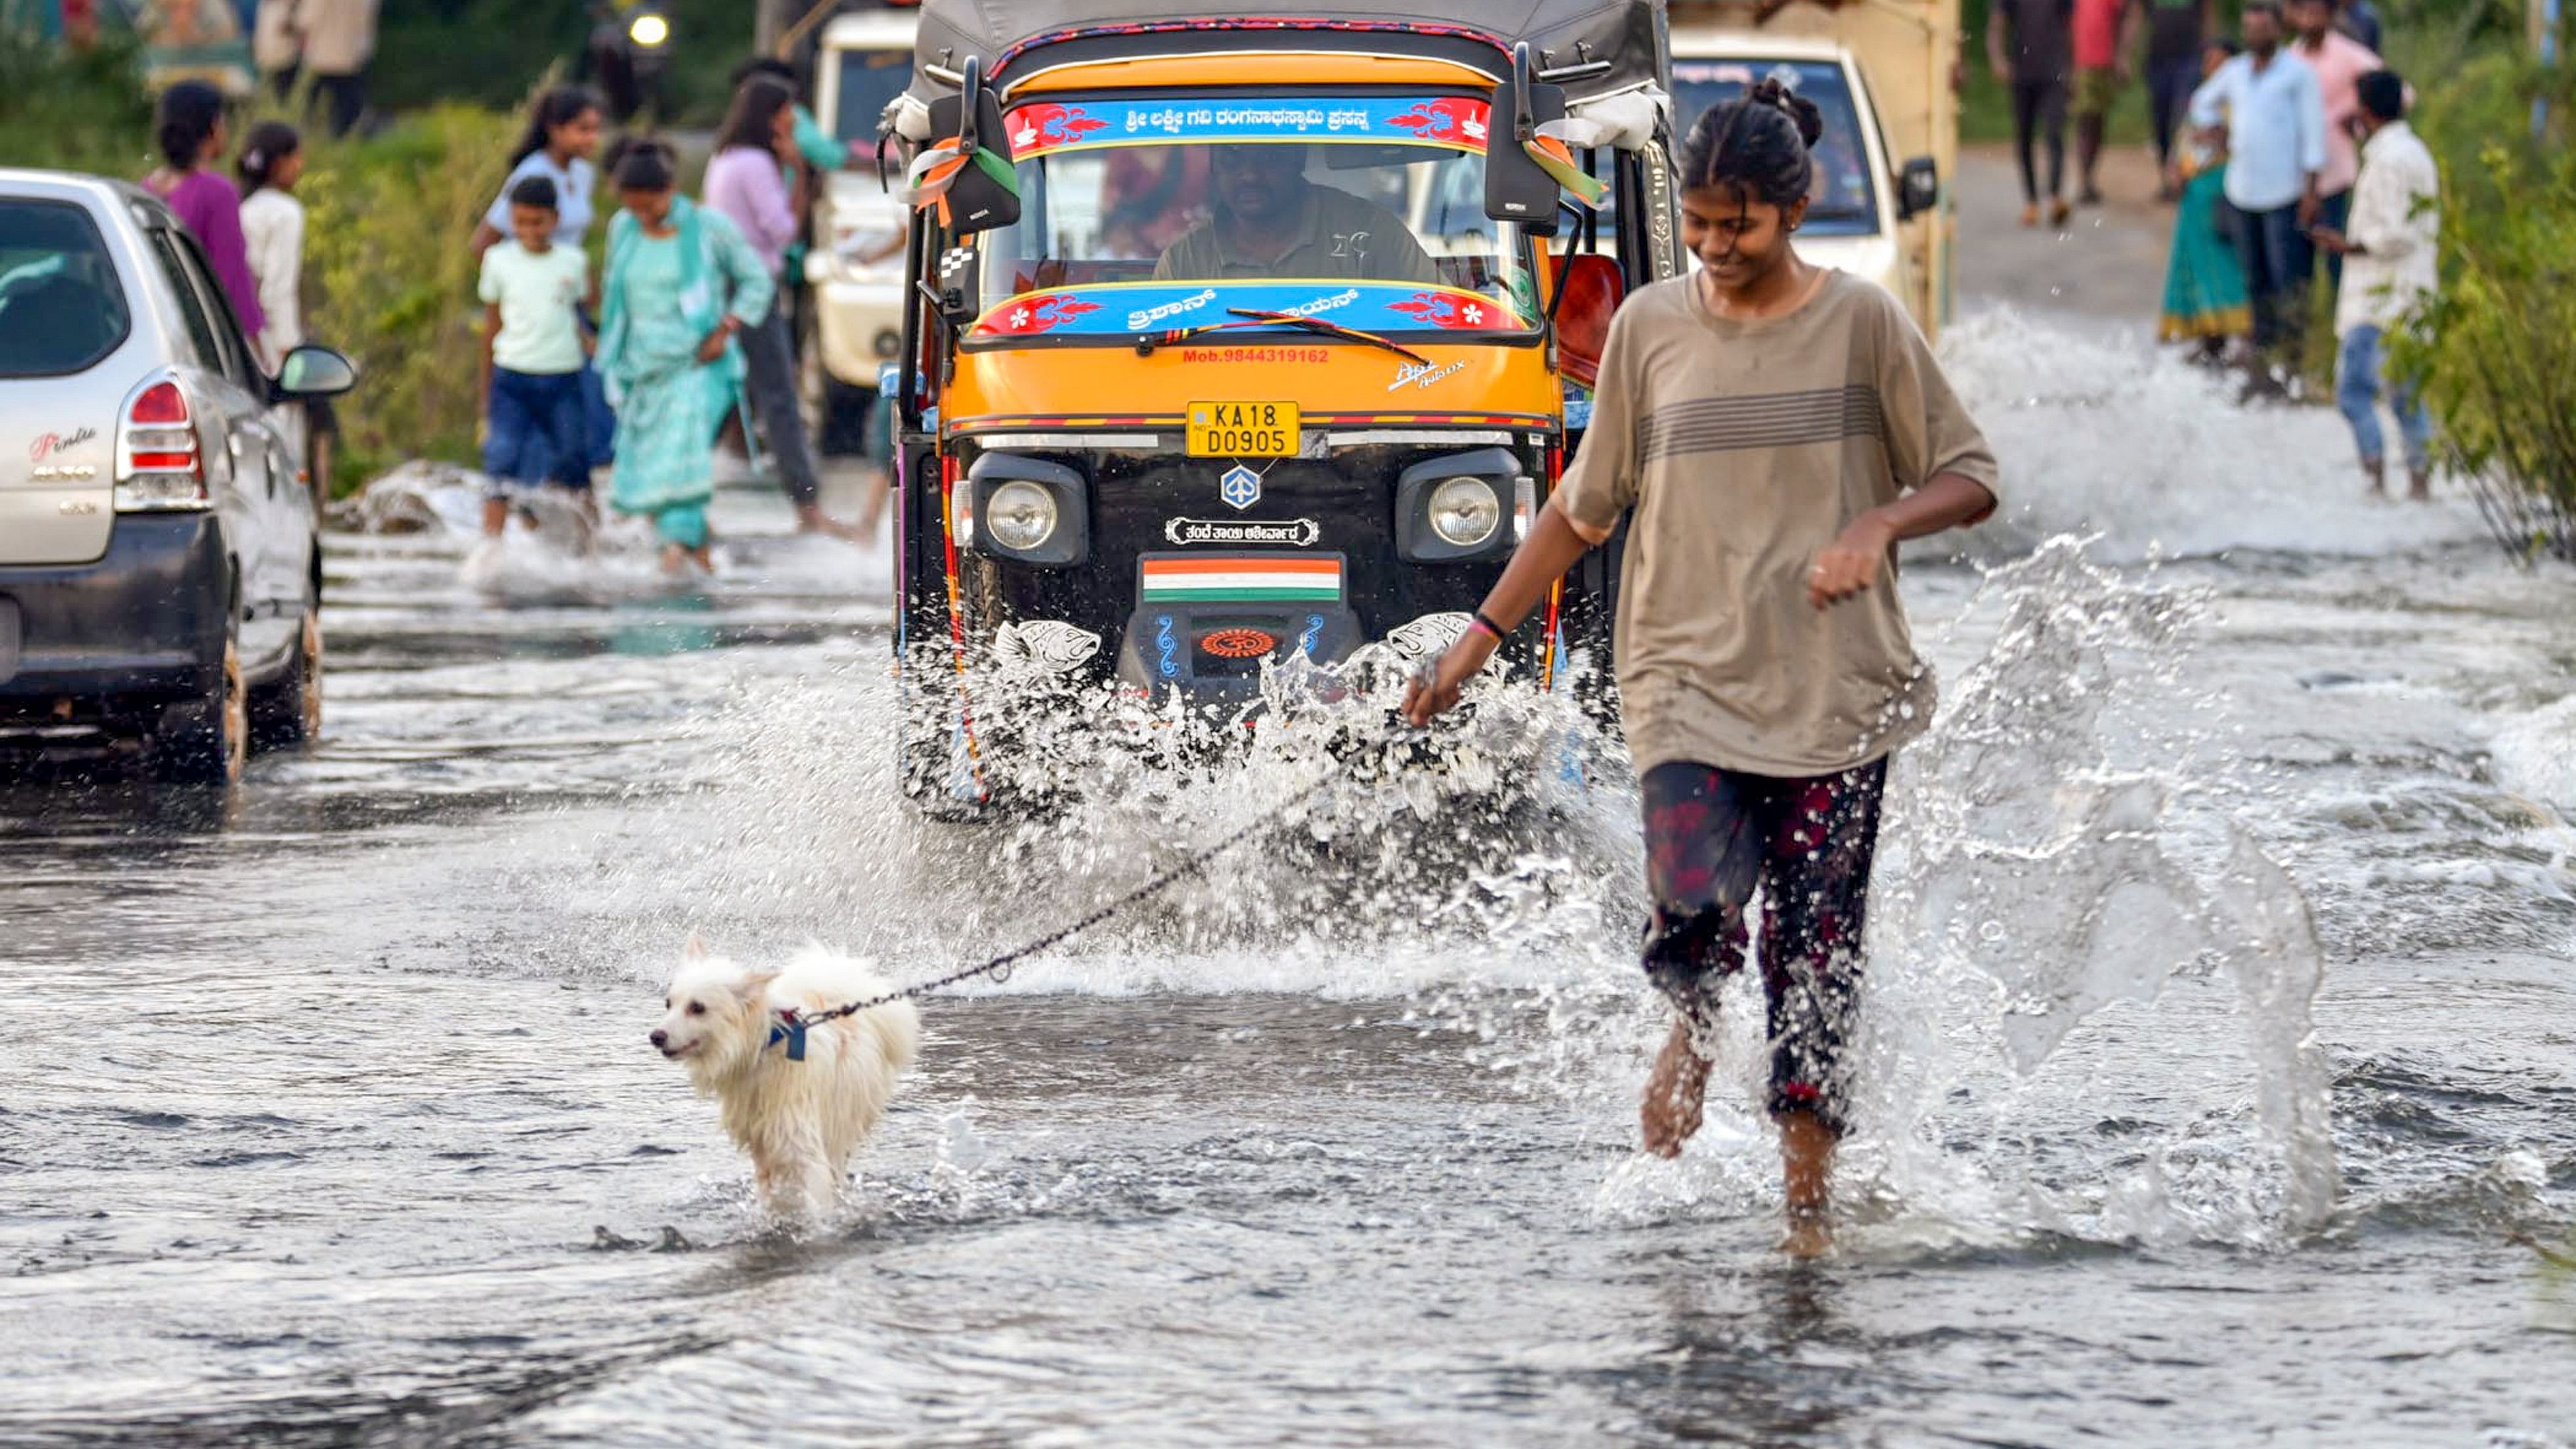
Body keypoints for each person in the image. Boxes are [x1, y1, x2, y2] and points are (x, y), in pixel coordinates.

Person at [1402, 80, 2002, 1257]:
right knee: (1689, 904)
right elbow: (1579, 512)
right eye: (1700, 224)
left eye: (1741, 225)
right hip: (1678, 678)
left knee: (1815, 954)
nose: (1716, 249)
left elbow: (1968, 473)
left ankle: (1804, 1207)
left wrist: (1877, 526)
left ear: (1794, 207)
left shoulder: (1863, 325)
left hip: (1835, 693)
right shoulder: (1648, 329)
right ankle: (1689, 1021)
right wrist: (1474, 641)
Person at [594, 143, 775, 574]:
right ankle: (702, 561)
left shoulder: (709, 228)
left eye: (651, 206)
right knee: (651, 465)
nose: (643, 217)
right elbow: (613, 289)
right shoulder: (623, 228)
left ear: (671, 190)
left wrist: (727, 327)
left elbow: (757, 280)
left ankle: (670, 558)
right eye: (633, 208)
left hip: (698, 364)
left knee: (681, 461)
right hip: (643, 367)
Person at [704, 74, 859, 540]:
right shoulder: (757, 163)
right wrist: (799, 173)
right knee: (779, 396)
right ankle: (807, 504)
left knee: (724, 391)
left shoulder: (726, 156)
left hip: (726, 281)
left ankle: (674, 493)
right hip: (753, 284)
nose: (795, 120)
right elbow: (783, 231)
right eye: (789, 112)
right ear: (772, 116)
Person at [2310, 69, 2438, 500]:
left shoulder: (2390, 161)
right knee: (2406, 396)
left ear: (2365, 111)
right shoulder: (2410, 152)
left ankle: (2376, 485)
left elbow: (2395, 233)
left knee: (2353, 394)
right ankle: (2419, 486)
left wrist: (2348, 245)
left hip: (2381, 300)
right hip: (2409, 294)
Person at [473, 87, 611, 481]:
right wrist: (521, 287)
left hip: (569, 297)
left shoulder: (582, 174)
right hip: (534, 305)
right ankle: (528, 502)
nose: (591, 139)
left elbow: (574, 245)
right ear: (555, 129)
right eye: (582, 130)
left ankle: (569, 500)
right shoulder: (534, 173)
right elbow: (484, 242)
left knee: (580, 408)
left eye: (596, 130)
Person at [2189, 2, 2324, 370]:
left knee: (2287, 279)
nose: (2254, 36)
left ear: (2278, 31)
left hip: (2284, 193)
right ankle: (2264, 359)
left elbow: (2314, 135)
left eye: (2262, 28)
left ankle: (2293, 359)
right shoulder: (2235, 72)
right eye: (2249, 29)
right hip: (2243, 191)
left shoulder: (2298, 75)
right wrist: (2214, 129)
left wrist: (2311, 191)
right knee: (2255, 280)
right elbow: (2202, 102)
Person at [477, 175, 595, 538]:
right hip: (512, 375)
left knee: (574, 458)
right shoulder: (498, 260)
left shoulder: (572, 261)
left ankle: (589, 544)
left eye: (537, 222)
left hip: (562, 376)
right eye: (520, 222)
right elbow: (492, 325)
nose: (528, 230)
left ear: (555, 220)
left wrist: (587, 338)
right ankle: (490, 547)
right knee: (501, 459)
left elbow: (585, 306)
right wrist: (484, 391)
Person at [1152, 144, 1436, 283]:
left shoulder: (1371, 234)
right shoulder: (1184, 261)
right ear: (1213, 164)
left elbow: (1441, 326)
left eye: (1269, 157)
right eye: (1233, 156)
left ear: (1298, 158)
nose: (1250, 175)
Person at [144, 81, 266, 344]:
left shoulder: (147, 190)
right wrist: (254, 347)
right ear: (213, 128)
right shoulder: (217, 192)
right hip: (206, 340)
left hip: (159, 332)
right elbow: (231, 279)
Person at [2157, 38, 2250, 358]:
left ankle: (2236, 335)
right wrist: (2175, 169)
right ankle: (2208, 336)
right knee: (2195, 262)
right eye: (2209, 60)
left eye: (2220, 61)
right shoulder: (2203, 97)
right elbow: (2185, 135)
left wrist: (2220, 139)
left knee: (2224, 263)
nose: (2213, 67)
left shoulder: (2239, 100)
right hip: (2193, 190)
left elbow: (2240, 139)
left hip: (2220, 185)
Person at [2283, 0, 2380, 294]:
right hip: (2293, 178)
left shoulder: (2349, 55)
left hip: (2335, 174)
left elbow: (2397, 91)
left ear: (2330, 15)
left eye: (2316, 11)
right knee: (2296, 262)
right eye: (2304, 10)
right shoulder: (2289, 59)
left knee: (2338, 256)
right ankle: (2298, 328)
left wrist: (2358, 120)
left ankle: (2341, 322)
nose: (2309, 17)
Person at [1988, 0, 2074, 228]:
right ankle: (2031, 202)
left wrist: (2072, 67)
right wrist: (1998, 59)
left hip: (2055, 72)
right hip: (2022, 73)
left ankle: (2056, 196)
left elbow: (2071, 24)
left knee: (2054, 132)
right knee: (2024, 137)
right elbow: (1997, 23)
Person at [236, 119, 303, 368]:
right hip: (267, 342)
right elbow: (277, 291)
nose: (300, 165)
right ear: (278, 164)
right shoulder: (285, 212)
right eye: (296, 157)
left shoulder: (243, 206)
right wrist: (286, 349)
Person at [2140, 0, 2213, 195]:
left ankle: (2181, 176)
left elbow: (2208, 16)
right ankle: (2166, 176)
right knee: (2160, 122)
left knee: (2182, 118)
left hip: (2189, 59)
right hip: (2158, 59)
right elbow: (2137, 16)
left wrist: (2211, 55)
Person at [2069, 0, 2137, 205]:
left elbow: (2127, 16)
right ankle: (2084, 179)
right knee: (2085, 119)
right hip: (2080, 63)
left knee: (2097, 121)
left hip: (2105, 62)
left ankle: (2088, 177)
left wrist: (2123, 55)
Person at [290, 0, 374, 136]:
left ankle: (318, 137)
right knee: (348, 105)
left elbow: (306, 20)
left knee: (315, 106)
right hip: (349, 55)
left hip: (322, 56)